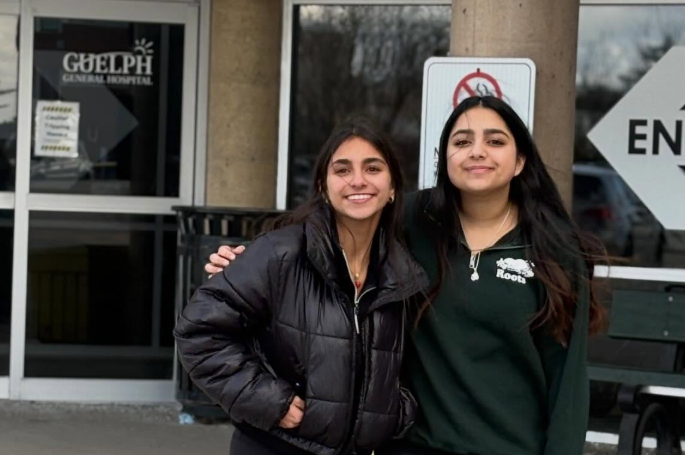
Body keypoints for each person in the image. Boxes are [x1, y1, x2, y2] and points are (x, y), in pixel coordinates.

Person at [207, 96, 606, 455]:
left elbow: (567, 382)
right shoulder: (410, 221)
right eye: (462, 141)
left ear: (520, 161)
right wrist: (249, 262)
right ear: (444, 159)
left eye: (495, 141)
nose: (477, 151)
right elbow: (330, 232)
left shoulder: (554, 250)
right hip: (411, 446)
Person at [174, 117, 429, 455]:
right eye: (342, 170)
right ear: (323, 186)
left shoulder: (403, 274)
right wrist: (269, 400)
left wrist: (394, 413)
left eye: (372, 168)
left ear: (393, 186)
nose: (358, 180)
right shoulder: (280, 253)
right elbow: (198, 332)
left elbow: (410, 364)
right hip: (275, 447)